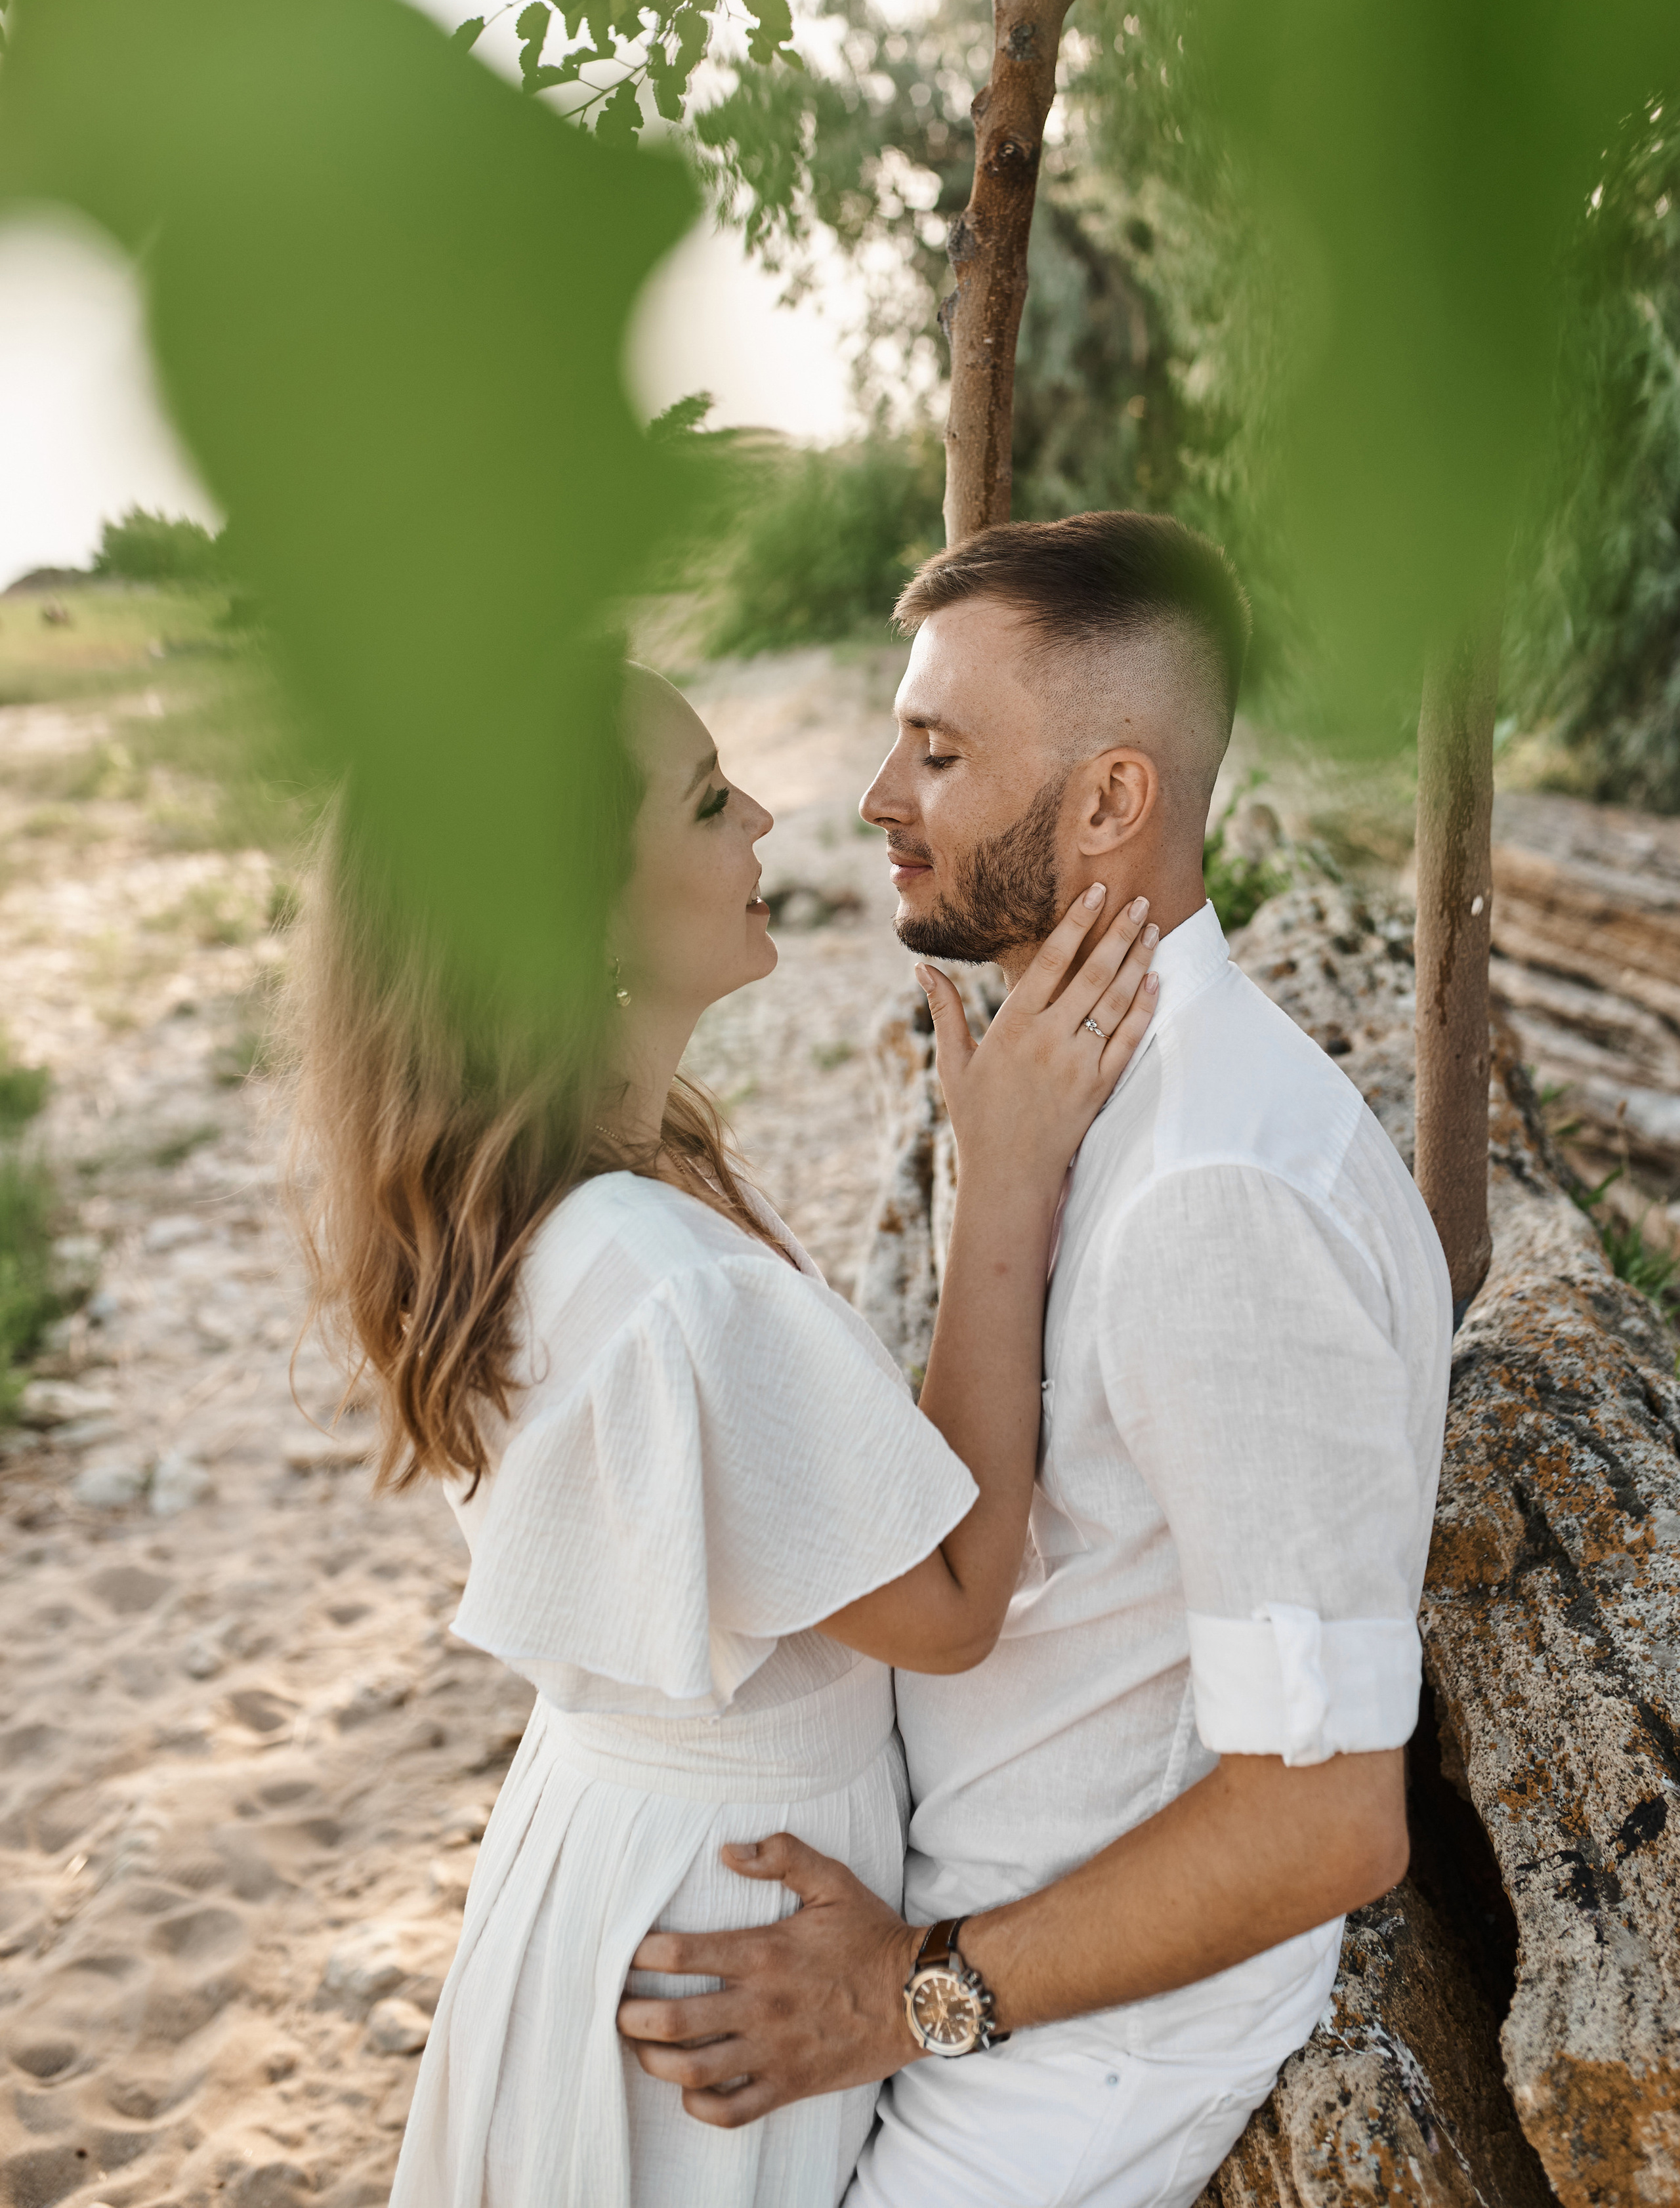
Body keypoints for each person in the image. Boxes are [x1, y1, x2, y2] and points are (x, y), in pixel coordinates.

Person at [618, 513, 1454, 2208]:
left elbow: (1326, 1821)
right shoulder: (1098, 1099)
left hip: (1075, 2036)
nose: (875, 799)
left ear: (1108, 803)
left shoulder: (1217, 1191)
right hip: (989, 1945)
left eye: (937, 750)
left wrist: (914, 1990)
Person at [290, 656, 1159, 2208]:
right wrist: (1008, 1176)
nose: (763, 814)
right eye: (704, 802)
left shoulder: (570, 1193)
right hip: (725, 1926)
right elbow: (951, 1598)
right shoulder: (660, 1279)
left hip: (617, 1847)